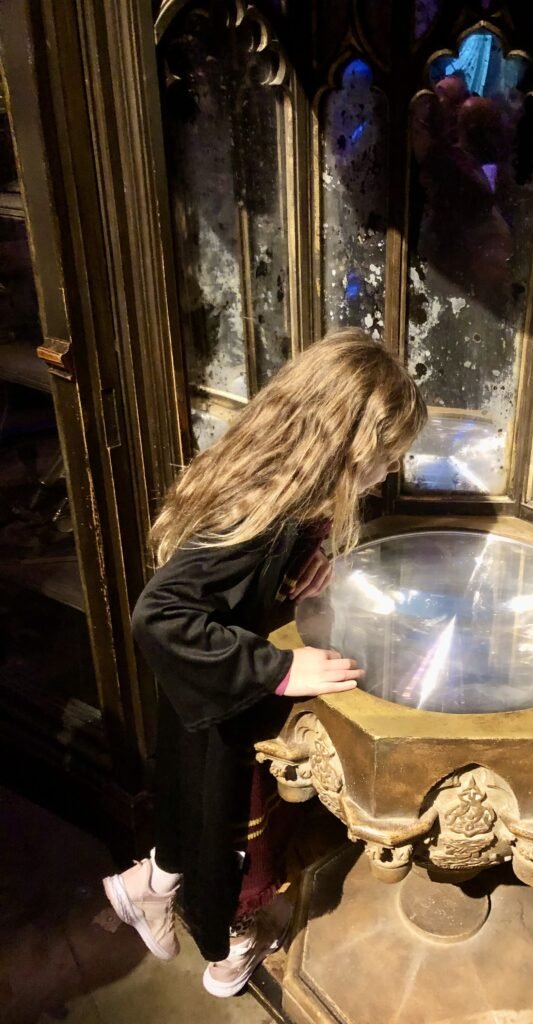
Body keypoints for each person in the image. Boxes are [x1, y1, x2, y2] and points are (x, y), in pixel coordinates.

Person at [102, 329, 427, 997]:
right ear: (343, 452)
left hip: (200, 683)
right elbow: (157, 616)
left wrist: (308, 553)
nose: (389, 474)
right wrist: (280, 671)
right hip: (219, 682)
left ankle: (151, 885)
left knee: (193, 806)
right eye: (383, 460)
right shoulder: (256, 518)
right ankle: (231, 948)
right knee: (231, 820)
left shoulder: (271, 478)